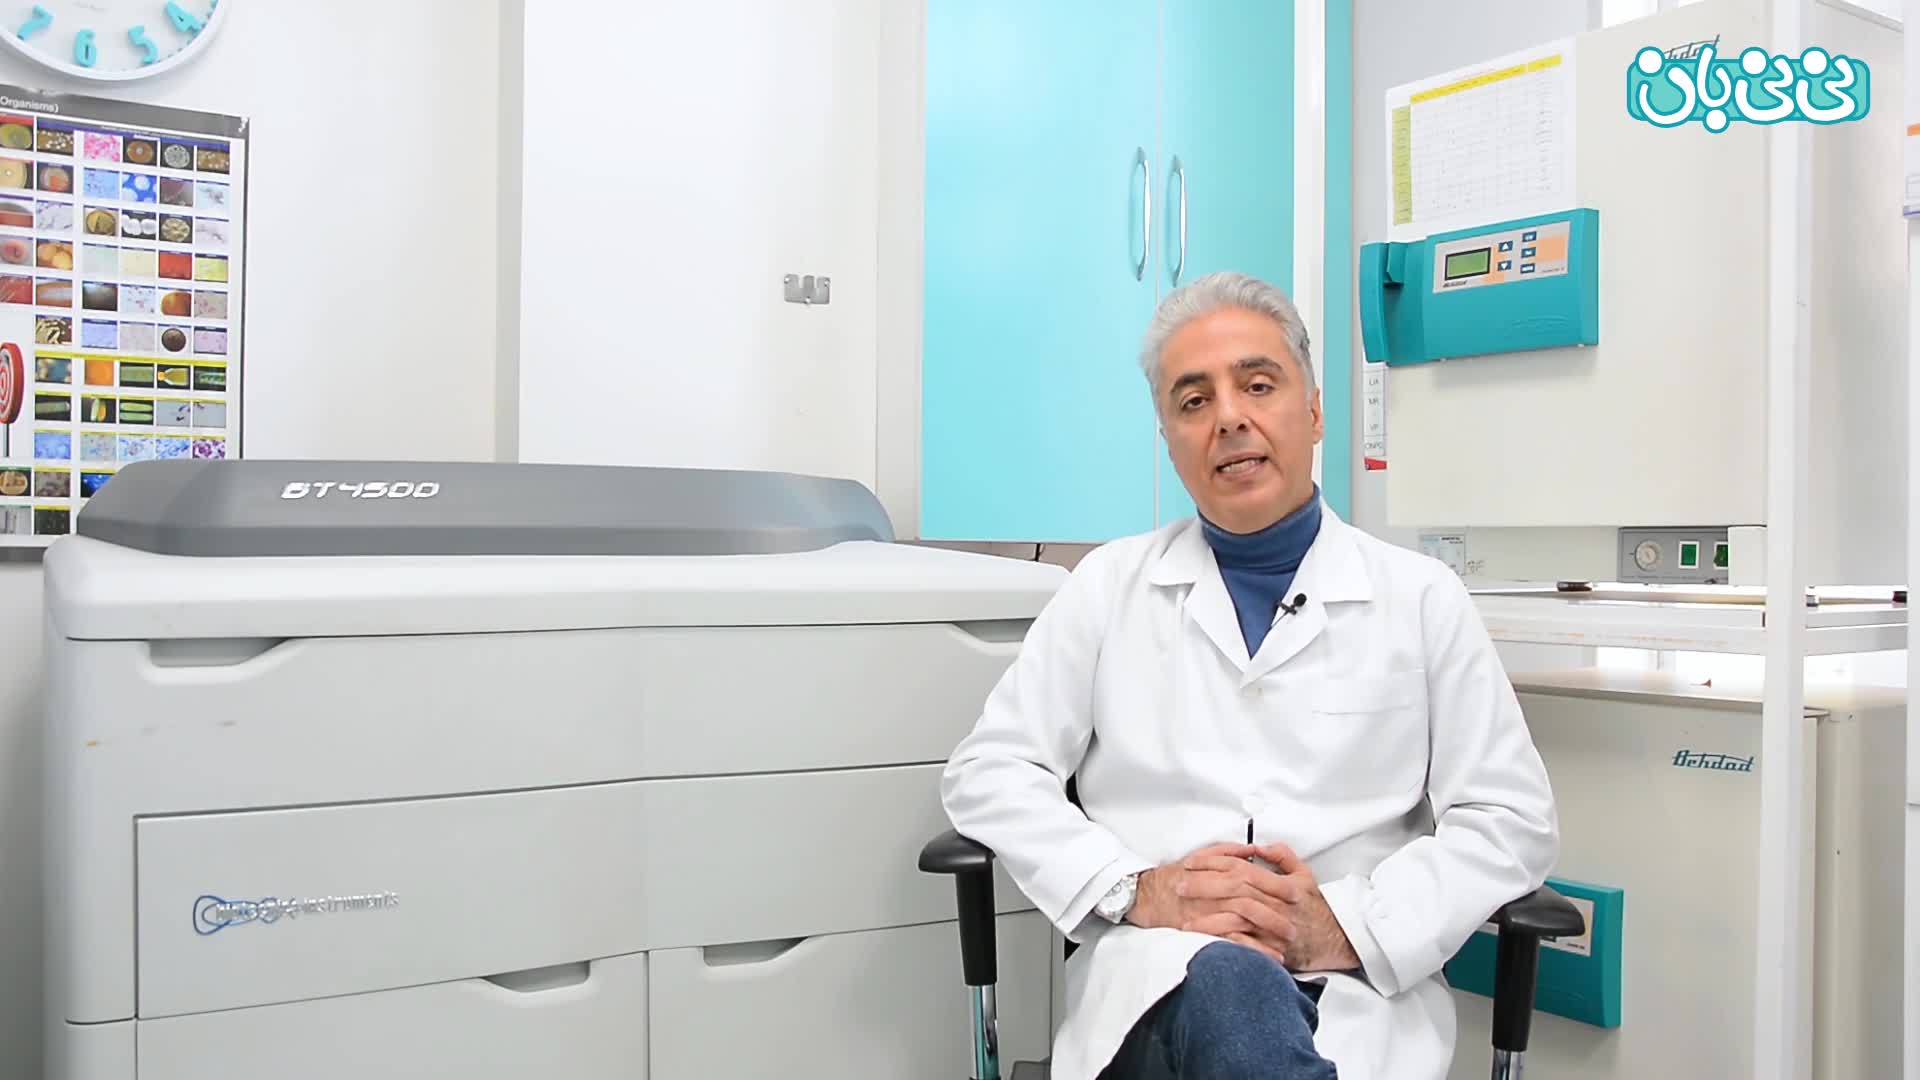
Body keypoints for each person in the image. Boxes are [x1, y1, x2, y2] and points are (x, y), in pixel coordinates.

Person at [938, 271, 1560, 1080]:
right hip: (1159, 987)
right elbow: (990, 770)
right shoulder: (1108, 587)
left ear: (1314, 412)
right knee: (1230, 987)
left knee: (1251, 1017)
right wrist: (1135, 889)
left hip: (1357, 995)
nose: (1229, 417)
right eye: (1194, 401)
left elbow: (1510, 817)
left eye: (1258, 385)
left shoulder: (1421, 598)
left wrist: (1347, 924)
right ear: (1170, 440)